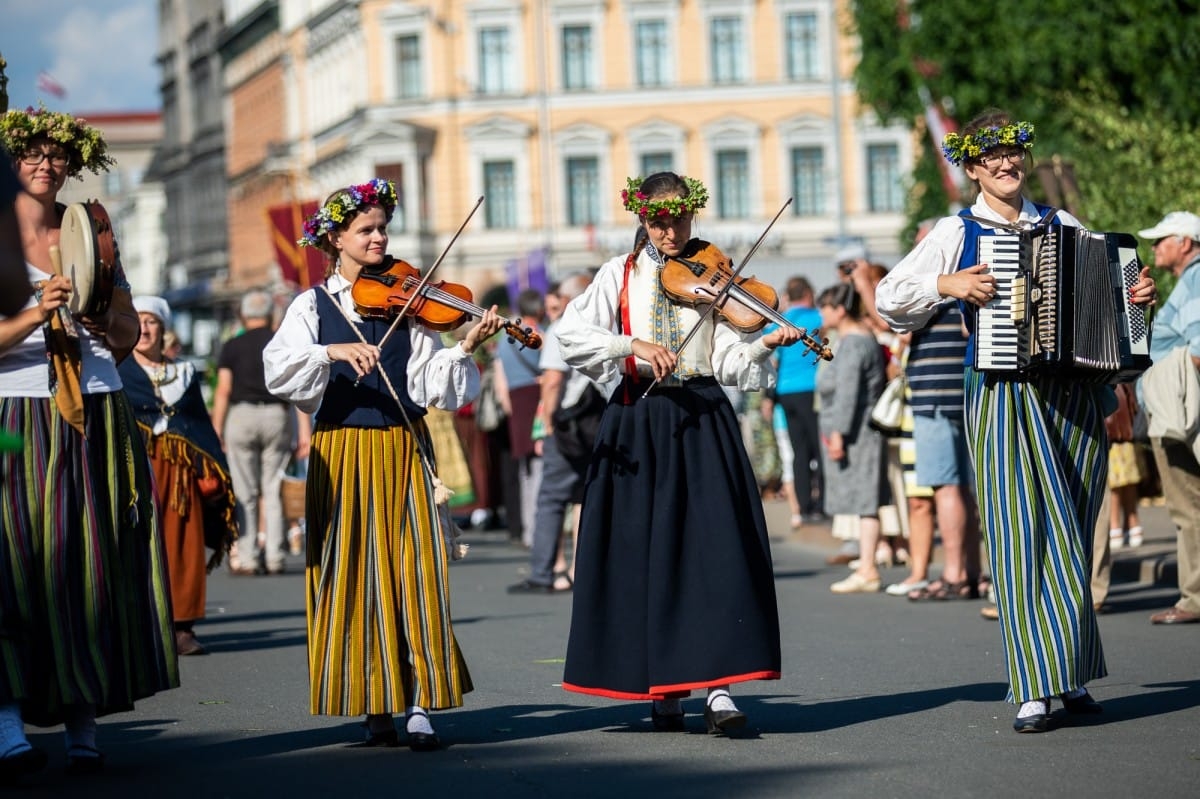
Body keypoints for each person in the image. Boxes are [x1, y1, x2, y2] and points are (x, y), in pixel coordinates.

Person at [876, 109, 1158, 732]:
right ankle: (1032, 683)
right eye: (993, 158)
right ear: (973, 167)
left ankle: (1072, 675)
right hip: (1003, 390)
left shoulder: (1065, 225)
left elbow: (1115, 297)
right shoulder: (956, 230)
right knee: (1016, 529)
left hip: (1076, 394)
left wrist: (1133, 301)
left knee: (1073, 533)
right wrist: (948, 284)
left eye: (1014, 155)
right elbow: (889, 298)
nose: (1007, 165)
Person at [555, 172, 805, 735]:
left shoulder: (716, 275)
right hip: (636, 419)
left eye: (678, 219)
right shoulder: (616, 274)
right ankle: (663, 689)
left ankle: (717, 688)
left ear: (693, 216)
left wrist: (763, 341)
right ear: (642, 220)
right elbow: (569, 335)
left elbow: (734, 365)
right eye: (657, 221)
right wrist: (631, 345)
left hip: (703, 415)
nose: (669, 231)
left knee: (715, 551)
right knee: (645, 554)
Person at [263, 178, 504, 749]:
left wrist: (465, 346)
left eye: (382, 228)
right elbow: (279, 370)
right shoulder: (311, 305)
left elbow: (432, 388)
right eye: (365, 230)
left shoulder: (411, 302)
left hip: (401, 447)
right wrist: (330, 350)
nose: (379, 238)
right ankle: (373, 701)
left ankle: (420, 700)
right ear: (336, 239)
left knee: (416, 572)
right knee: (352, 576)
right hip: (342, 452)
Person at [0, 106, 177, 778]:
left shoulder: (91, 228)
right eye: (30, 154)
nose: (46, 165)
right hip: (16, 414)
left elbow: (130, 332)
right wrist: (34, 314)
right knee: (13, 569)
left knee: (88, 569)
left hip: (96, 410)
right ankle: (8, 723)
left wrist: (103, 314)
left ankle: (82, 724)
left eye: (56, 156)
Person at [119, 295, 238, 656]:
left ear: (163, 329)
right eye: (137, 320)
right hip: (135, 469)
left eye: (152, 321)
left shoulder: (184, 373)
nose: (144, 328)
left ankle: (182, 627)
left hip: (179, 475)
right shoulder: (118, 371)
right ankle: (140, 626)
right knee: (135, 544)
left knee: (183, 547)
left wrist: (210, 467)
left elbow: (198, 427)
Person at [507, 273, 604, 594]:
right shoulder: (604, 324)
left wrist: (547, 423)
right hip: (598, 419)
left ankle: (542, 571)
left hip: (568, 422)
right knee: (586, 497)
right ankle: (585, 569)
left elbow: (552, 380)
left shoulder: (566, 327)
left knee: (551, 498)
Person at [211, 289, 310, 575]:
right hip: (276, 416)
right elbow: (296, 387)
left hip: (241, 416)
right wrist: (304, 431)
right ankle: (276, 556)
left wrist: (216, 429)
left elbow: (223, 391)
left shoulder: (231, 345)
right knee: (272, 487)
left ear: (243, 315)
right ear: (270, 316)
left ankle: (249, 555)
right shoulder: (279, 343)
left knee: (245, 490)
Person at [1136, 211, 1200, 625]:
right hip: (1182, 409)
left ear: (1186, 242)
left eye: (1163, 239)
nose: (1156, 246)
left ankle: (1194, 598)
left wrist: (1173, 388)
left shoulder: (1195, 278)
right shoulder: (1188, 281)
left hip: (1183, 413)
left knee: (1186, 506)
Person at [815, 282, 889, 594]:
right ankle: (868, 563)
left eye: (826, 307)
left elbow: (848, 393)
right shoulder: (854, 339)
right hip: (857, 430)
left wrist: (838, 435)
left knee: (865, 499)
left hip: (858, 432)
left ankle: (869, 567)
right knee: (864, 499)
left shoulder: (854, 343)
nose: (822, 314)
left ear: (840, 309)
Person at [763, 276, 825, 526]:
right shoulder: (818, 318)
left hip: (785, 392)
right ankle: (821, 505)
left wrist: (769, 398)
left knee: (799, 452)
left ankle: (804, 508)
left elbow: (772, 361)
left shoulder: (777, 325)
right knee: (818, 450)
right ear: (808, 294)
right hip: (812, 390)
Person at [494, 288, 545, 547]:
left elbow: (499, 374)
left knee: (524, 469)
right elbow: (545, 364)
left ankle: (526, 527)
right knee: (538, 467)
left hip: (515, 401)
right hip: (534, 397)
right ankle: (536, 529)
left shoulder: (504, 339)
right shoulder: (531, 333)